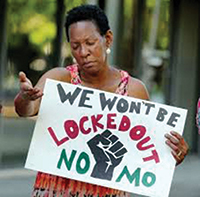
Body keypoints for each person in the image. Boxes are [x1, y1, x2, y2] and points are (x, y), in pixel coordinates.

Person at [14, 4, 189, 197]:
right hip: (55, 189)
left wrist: (173, 154)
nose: (83, 52)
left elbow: (148, 150)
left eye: (90, 43)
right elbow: (27, 109)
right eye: (75, 46)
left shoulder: (133, 90)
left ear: (107, 39)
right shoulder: (58, 79)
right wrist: (25, 98)